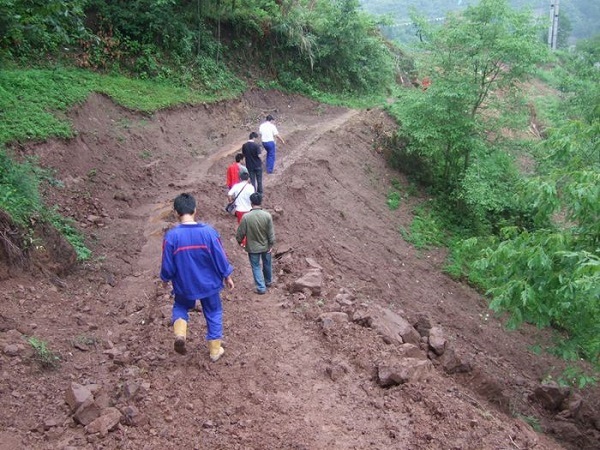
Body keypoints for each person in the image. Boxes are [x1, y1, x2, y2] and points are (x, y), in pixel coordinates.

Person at [160, 193, 234, 362]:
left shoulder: (171, 237)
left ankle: (180, 333)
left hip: (184, 284)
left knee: (180, 306)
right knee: (214, 312)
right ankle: (215, 350)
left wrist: (165, 279)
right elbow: (220, 256)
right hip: (209, 284)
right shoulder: (209, 233)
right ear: (195, 209)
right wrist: (226, 275)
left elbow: (167, 263)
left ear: (176, 212)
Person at [236, 193, 275, 295]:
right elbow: (271, 233)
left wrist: (239, 241)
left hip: (252, 247)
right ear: (261, 202)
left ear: (251, 203)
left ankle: (261, 287)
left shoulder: (246, 217)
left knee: (256, 266)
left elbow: (241, 232)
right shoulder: (267, 216)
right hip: (266, 246)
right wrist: (271, 244)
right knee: (267, 263)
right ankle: (268, 281)